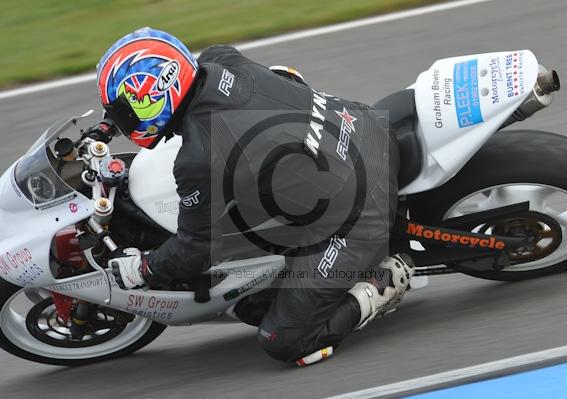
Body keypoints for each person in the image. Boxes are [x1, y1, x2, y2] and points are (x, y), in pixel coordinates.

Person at [99, 27, 414, 365]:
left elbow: (196, 249)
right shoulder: (219, 58)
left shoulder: (198, 158)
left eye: (124, 110)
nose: (122, 118)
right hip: (362, 124)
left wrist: (143, 270)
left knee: (283, 340)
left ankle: (384, 282)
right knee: (254, 293)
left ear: (155, 98)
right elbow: (287, 77)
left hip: (360, 210)